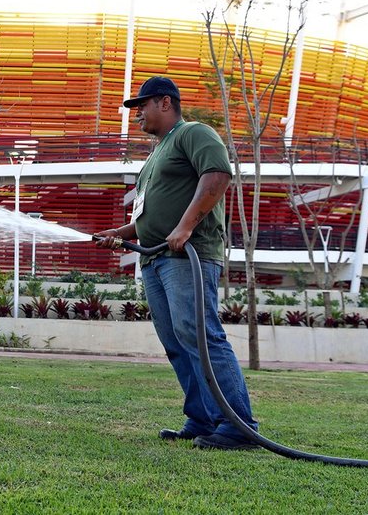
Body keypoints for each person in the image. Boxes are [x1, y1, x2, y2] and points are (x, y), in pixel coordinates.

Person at [95, 76, 260, 451]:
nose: (137, 114)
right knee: (175, 341)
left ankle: (238, 425)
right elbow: (148, 216)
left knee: (200, 335)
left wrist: (185, 227)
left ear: (165, 103)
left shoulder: (194, 133)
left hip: (188, 255)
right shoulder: (156, 153)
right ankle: (202, 418)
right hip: (155, 259)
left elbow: (217, 176)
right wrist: (120, 234)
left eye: (142, 105)